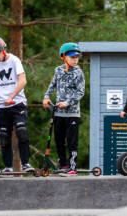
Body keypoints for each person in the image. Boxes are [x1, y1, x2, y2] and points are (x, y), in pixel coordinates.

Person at [0, 36, 33, 173]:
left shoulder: (14, 61)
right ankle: (8, 166)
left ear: (3, 50)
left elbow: (23, 81)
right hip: (3, 106)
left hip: (17, 103)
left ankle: (26, 163)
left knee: (21, 131)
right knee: (4, 135)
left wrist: (11, 96)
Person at [43, 43, 86, 177]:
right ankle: (63, 165)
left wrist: (67, 103)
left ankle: (72, 167)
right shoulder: (58, 70)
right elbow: (52, 85)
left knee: (72, 141)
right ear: (63, 57)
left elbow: (80, 92)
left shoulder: (78, 72)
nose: (75, 59)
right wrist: (46, 97)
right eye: (72, 57)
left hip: (72, 113)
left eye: (77, 57)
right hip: (58, 113)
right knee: (59, 140)